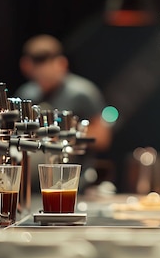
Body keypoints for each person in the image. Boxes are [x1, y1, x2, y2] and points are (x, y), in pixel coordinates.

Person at [15, 34, 112, 190]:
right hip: (33, 186)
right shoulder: (26, 94)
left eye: (48, 65)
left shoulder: (83, 93)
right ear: (26, 66)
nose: (44, 73)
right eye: (39, 66)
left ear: (62, 64)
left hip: (76, 184)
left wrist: (64, 133)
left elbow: (102, 138)